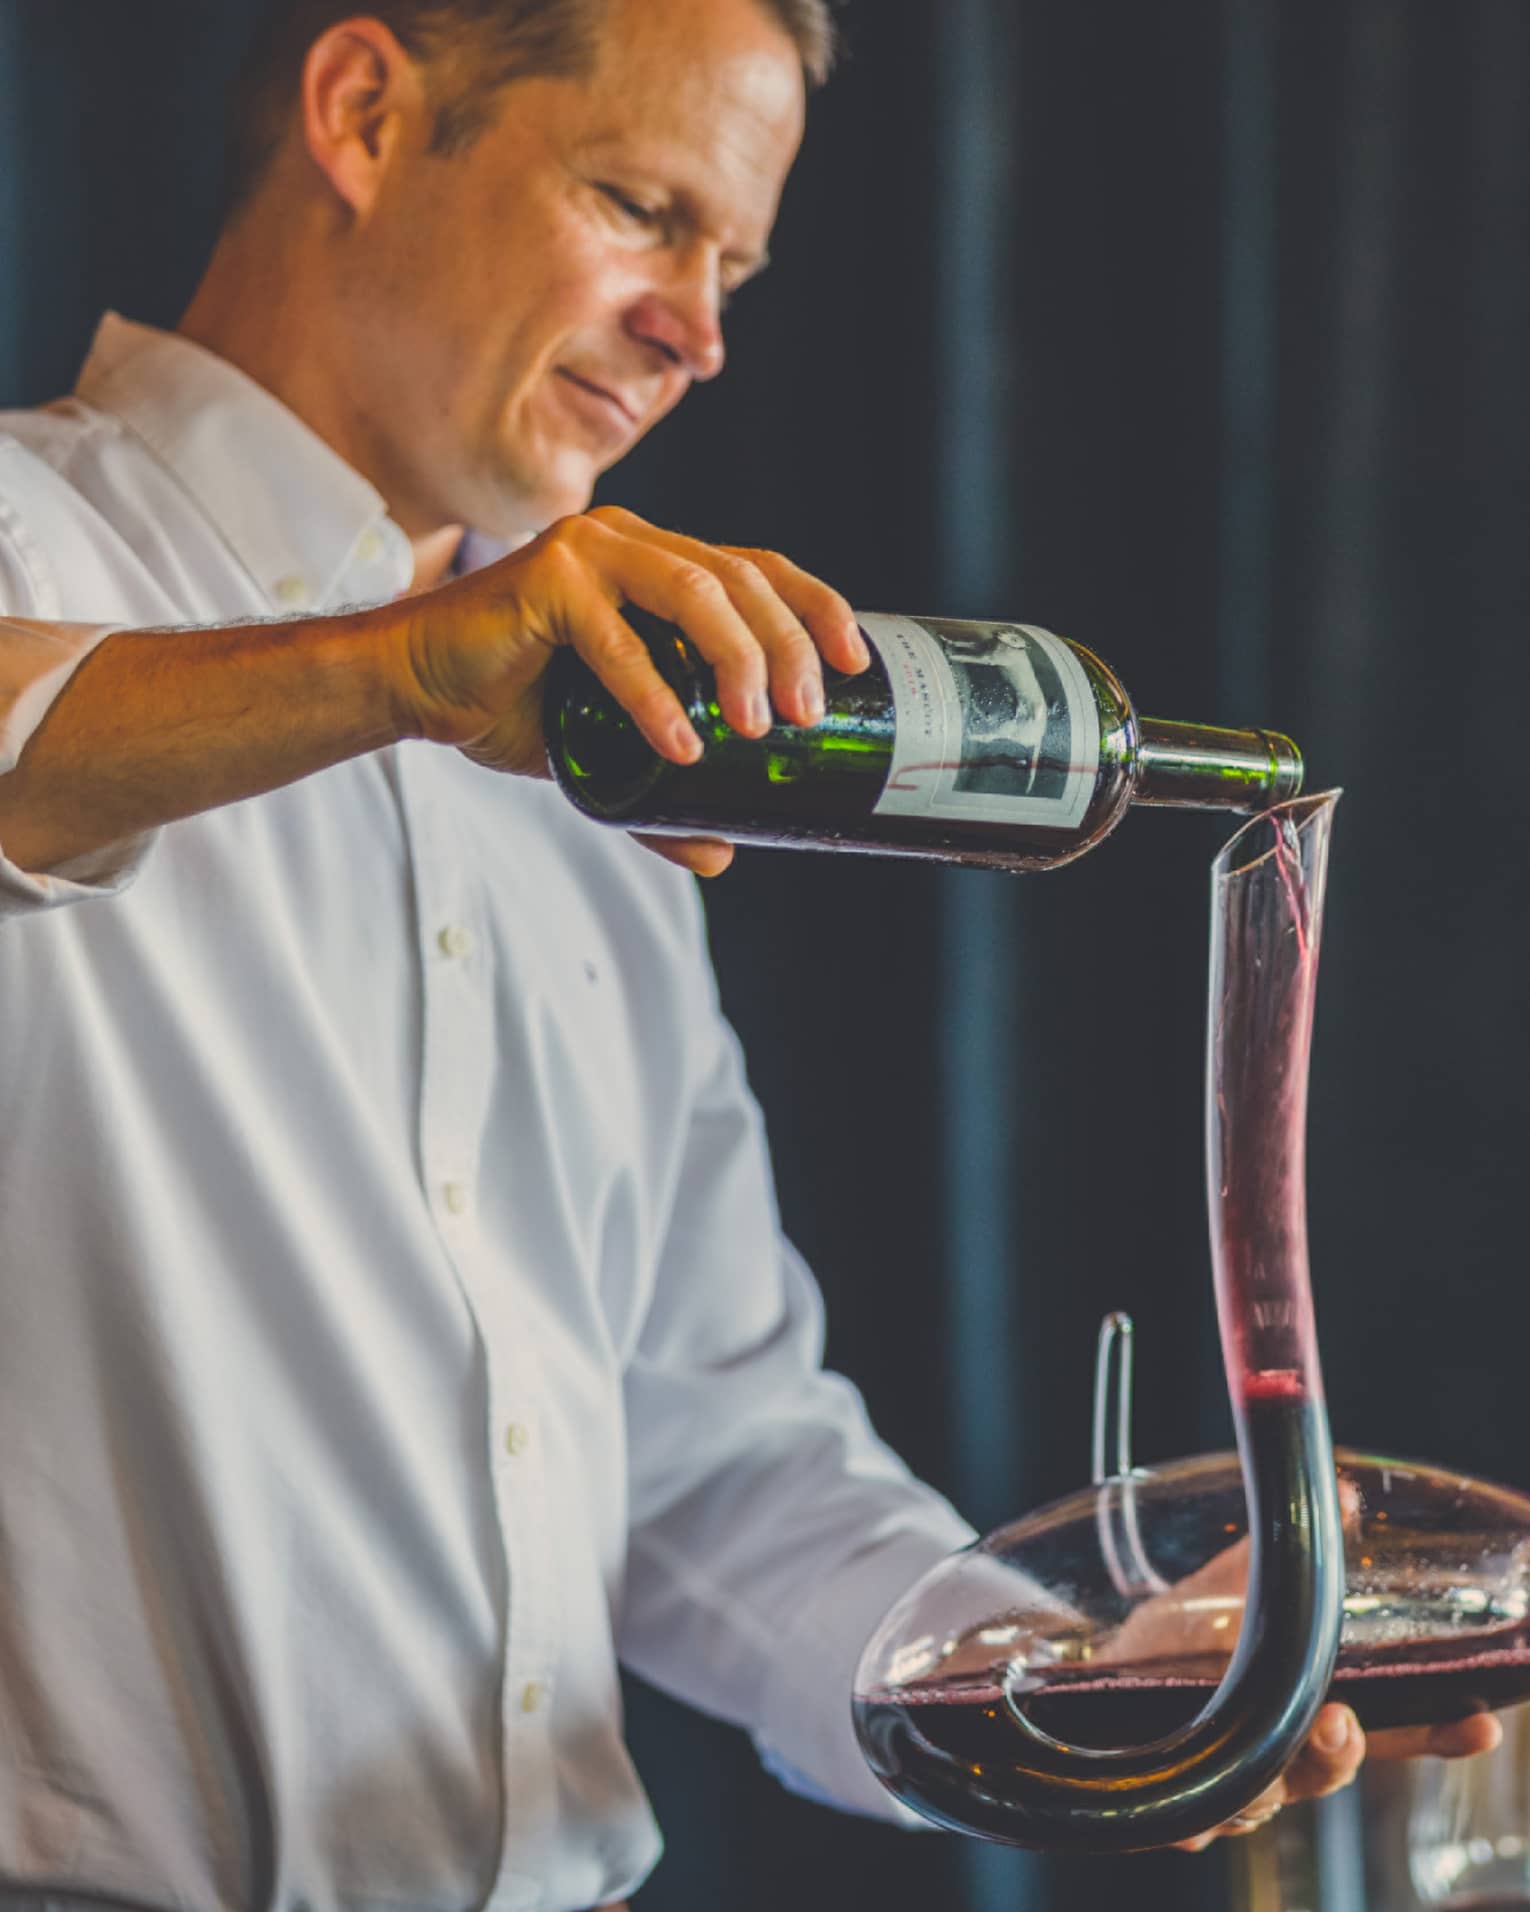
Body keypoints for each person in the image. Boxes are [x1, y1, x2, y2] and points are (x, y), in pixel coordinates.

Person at [0, 2, 1496, 1906]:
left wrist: (1070, 1679)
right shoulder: (36, 539)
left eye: (732, 267)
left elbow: (714, 1464)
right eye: (639, 207)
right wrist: (388, 673)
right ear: (366, 112)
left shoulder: (591, 778)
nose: (697, 330)